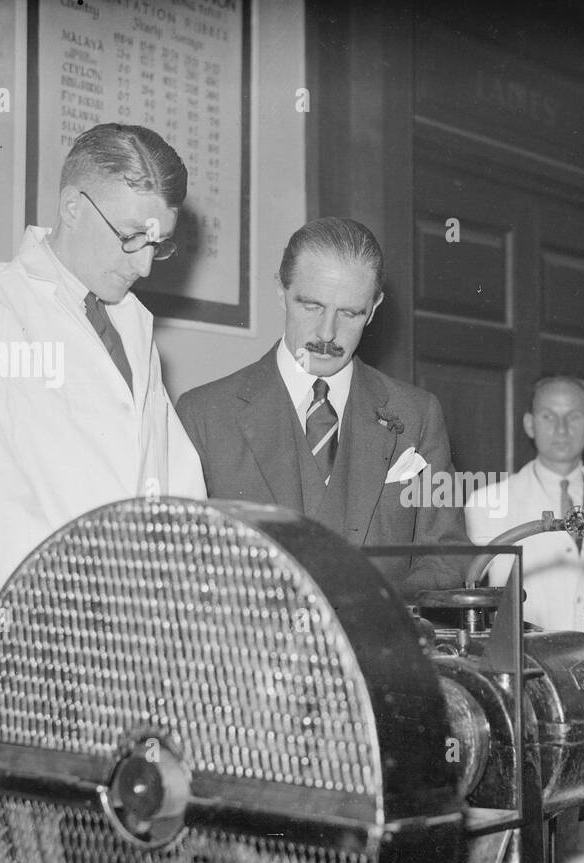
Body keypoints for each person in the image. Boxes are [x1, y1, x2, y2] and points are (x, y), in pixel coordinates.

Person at [0, 124, 205, 838]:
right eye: (131, 236)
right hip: (22, 654)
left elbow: (174, 484)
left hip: (117, 662)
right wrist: (90, 629)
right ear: (73, 207)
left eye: (158, 244)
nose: (144, 264)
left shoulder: (133, 327)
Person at [177, 217, 467, 593]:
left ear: (375, 308)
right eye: (312, 306)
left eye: (350, 313)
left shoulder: (418, 415)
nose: (328, 334)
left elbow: (446, 556)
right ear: (281, 291)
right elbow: (182, 566)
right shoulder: (203, 414)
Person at [463, 376, 584, 646]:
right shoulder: (487, 503)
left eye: (573, 416)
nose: (561, 429)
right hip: (527, 667)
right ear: (529, 424)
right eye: (548, 416)